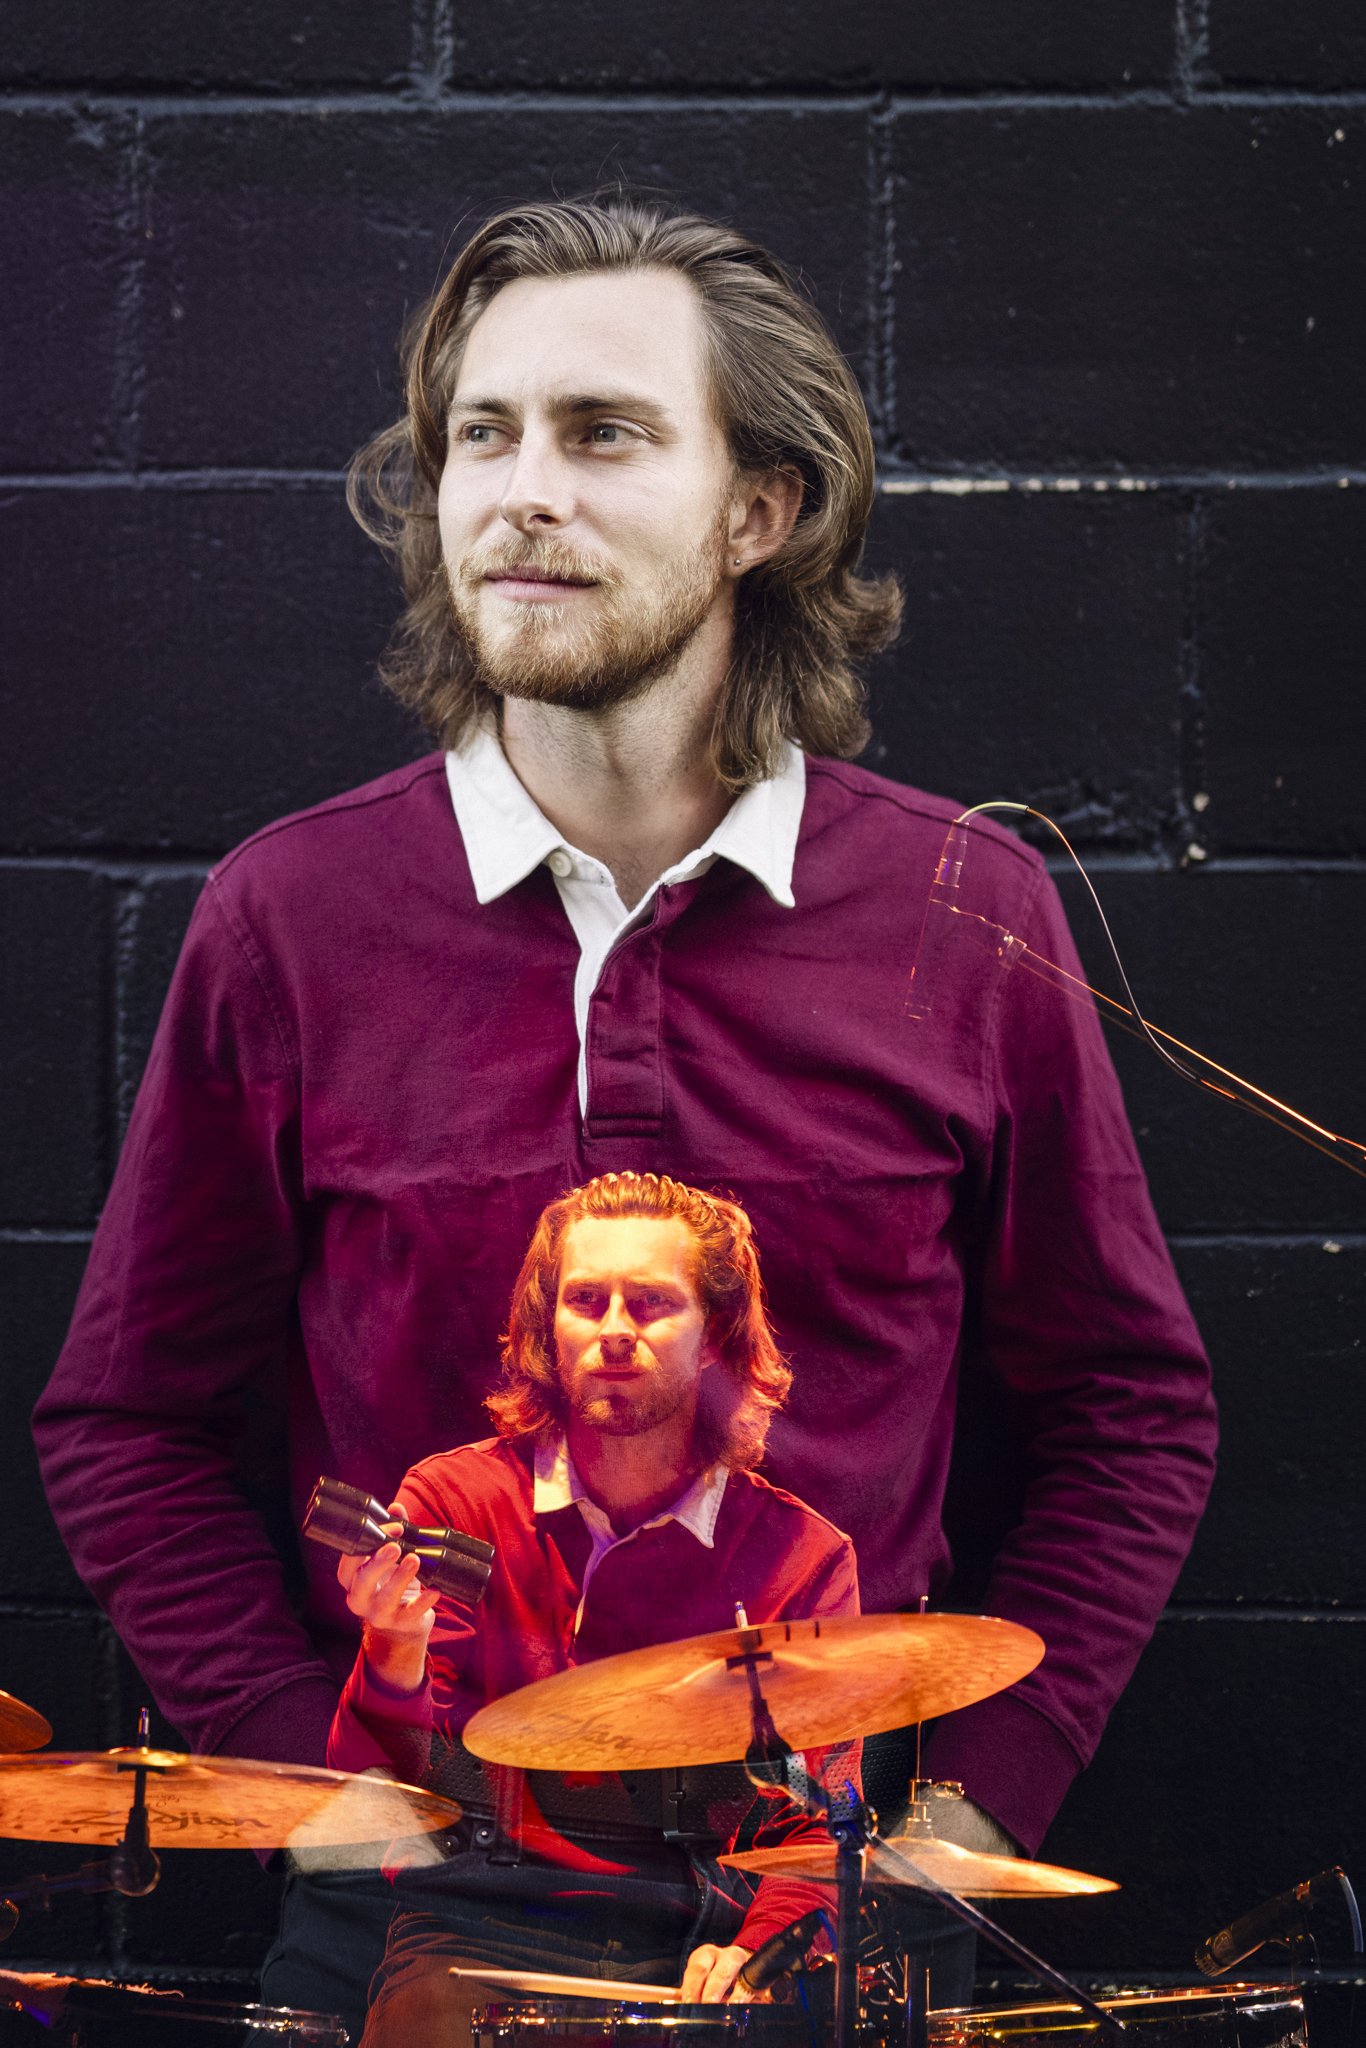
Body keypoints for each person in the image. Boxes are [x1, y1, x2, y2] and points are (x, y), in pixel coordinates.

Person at [32, 195, 1217, 2036]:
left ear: (762, 509)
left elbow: (1129, 1407)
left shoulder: (962, 910)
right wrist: (314, 1791)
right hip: (410, 1915)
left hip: (838, 1904)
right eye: (482, 436)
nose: (522, 493)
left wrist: (976, 1812)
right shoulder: (292, 916)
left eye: (602, 433)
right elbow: (126, 1420)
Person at [331, 1170, 858, 2045]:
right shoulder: (457, 1503)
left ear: (716, 1337)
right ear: (550, 1328)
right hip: (481, 1929)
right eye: (586, 1301)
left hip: (697, 1934)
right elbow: (383, 1795)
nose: (614, 1328)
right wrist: (391, 1651)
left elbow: (818, 1827)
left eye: (651, 1303)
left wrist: (760, 1951)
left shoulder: (801, 1559)